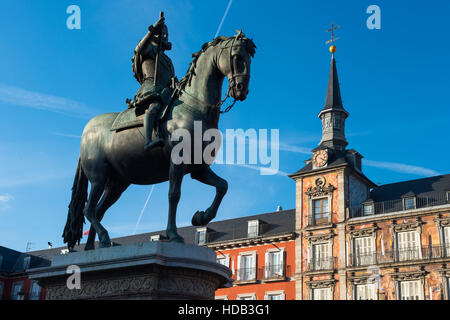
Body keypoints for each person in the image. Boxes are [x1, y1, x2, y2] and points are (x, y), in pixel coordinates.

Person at [126, 15, 175, 151]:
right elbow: (139, 50)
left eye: (166, 34)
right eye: (162, 33)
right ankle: (148, 140)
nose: (165, 36)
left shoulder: (168, 61)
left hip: (166, 91)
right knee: (154, 106)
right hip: (151, 88)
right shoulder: (149, 49)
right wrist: (152, 30)